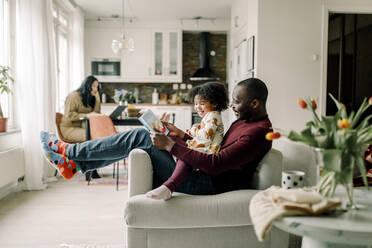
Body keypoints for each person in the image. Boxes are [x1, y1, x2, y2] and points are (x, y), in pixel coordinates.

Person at [41, 78, 272, 195]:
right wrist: (178, 134)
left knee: (141, 136)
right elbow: (210, 145)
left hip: (204, 183)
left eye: (237, 101)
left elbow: (214, 163)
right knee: (145, 133)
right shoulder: (245, 121)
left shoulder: (258, 133)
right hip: (198, 172)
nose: (232, 105)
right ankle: (75, 164)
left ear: (254, 103)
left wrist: (172, 146)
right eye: (231, 100)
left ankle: (71, 153)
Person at [146, 82, 228, 200]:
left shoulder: (213, 116)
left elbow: (205, 136)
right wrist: (187, 131)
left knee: (185, 156)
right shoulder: (209, 116)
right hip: (204, 147)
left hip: (208, 151)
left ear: (214, 103)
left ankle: (169, 187)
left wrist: (194, 129)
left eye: (202, 104)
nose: (197, 107)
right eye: (195, 104)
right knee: (172, 138)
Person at [59, 75, 102, 180]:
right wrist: (85, 115)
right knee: (91, 138)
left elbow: (96, 113)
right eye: (93, 86)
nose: (95, 89)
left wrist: (97, 98)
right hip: (69, 128)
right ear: (87, 86)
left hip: (83, 128)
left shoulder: (91, 97)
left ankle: (93, 167)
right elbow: (68, 115)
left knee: (97, 136)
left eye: (97, 87)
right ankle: (91, 169)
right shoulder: (73, 96)